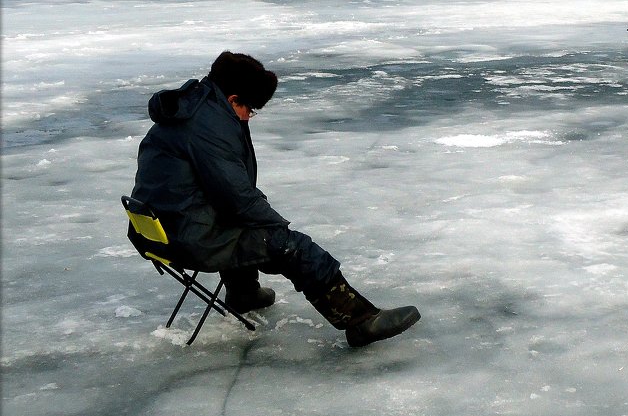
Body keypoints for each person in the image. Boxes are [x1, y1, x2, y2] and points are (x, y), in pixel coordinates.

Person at [128, 51, 420, 348]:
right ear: (233, 100)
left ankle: (243, 294)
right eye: (249, 110)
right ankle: (360, 322)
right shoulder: (210, 127)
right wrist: (280, 229)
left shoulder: (192, 110)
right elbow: (238, 199)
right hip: (189, 239)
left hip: (157, 232)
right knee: (292, 246)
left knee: (237, 220)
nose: (248, 118)